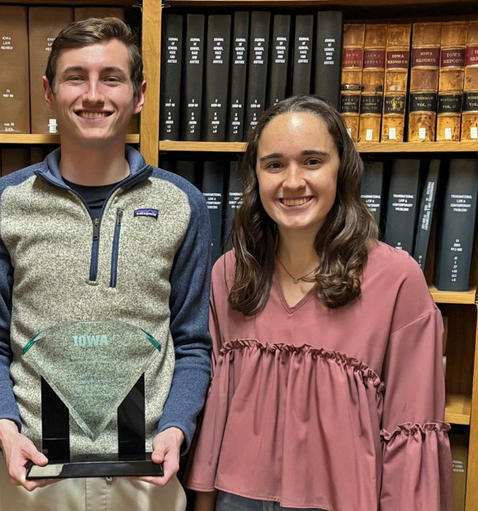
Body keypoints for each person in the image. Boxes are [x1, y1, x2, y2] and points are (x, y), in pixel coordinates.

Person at [0, 17, 212, 511]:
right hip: (31, 477)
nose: (94, 94)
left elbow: (193, 344)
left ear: (140, 95)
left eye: (112, 78)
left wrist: (176, 428)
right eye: (76, 76)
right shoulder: (2, 203)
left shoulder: (182, 204)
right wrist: (4, 431)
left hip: (146, 477)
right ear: (48, 91)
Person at [185, 95, 453, 511]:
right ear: (256, 177)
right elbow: (215, 414)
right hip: (234, 499)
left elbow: (410, 433)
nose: (293, 182)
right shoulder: (231, 274)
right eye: (274, 164)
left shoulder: (398, 281)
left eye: (312, 161)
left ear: (342, 170)